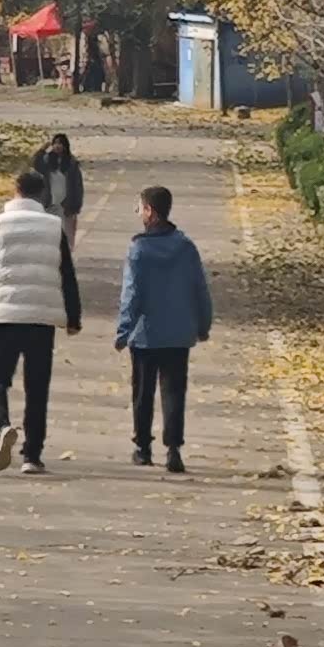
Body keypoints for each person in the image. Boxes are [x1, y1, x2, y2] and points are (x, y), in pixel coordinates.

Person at [0, 164, 79, 472]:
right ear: (42, 194)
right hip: (41, 318)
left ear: (15, 191)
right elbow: (66, 274)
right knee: (37, 386)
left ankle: (1, 426)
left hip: (4, 315)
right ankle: (32, 455)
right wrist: (73, 317)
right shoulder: (53, 227)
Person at [113, 181, 213, 472]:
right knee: (174, 391)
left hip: (145, 334)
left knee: (143, 392)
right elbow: (199, 288)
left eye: (140, 208)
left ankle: (143, 448)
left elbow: (132, 294)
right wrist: (203, 324)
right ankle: (174, 450)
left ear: (150, 211)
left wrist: (123, 330)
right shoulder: (185, 247)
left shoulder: (138, 249)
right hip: (179, 333)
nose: (138, 213)